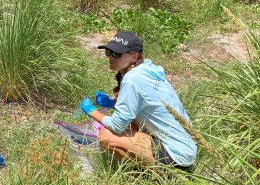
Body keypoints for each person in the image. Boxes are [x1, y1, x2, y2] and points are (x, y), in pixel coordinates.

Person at [80, 31, 197, 169]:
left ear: (134, 56)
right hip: (187, 147)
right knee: (127, 123)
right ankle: (149, 165)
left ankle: (160, 176)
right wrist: (112, 102)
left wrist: (91, 111)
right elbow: (141, 101)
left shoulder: (132, 79)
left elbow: (117, 126)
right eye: (109, 52)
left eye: (117, 54)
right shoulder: (146, 69)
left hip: (177, 154)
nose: (111, 57)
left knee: (106, 136)